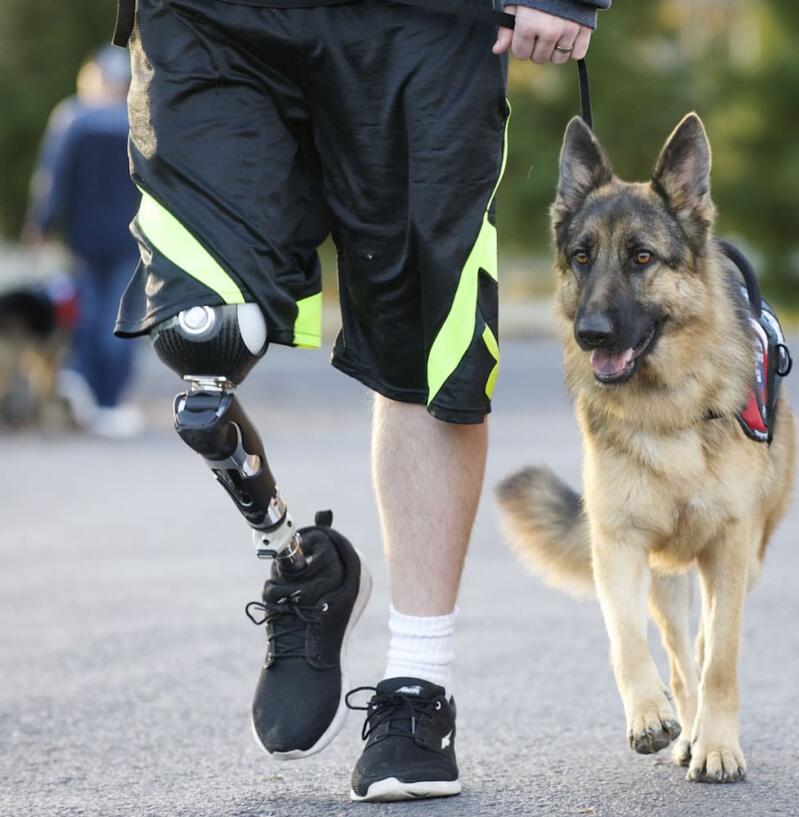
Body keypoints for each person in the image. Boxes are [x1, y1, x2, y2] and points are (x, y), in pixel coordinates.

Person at [111, 0, 608, 802]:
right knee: (201, 334)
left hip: (423, 18)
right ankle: (300, 566)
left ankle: (417, 685)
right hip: (212, 15)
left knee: (426, 344)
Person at [25, 47, 143, 439]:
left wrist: (39, 225)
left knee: (87, 318)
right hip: (131, 240)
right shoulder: (139, 119)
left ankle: (80, 381)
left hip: (83, 240)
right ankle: (107, 404)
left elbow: (52, 178)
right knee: (120, 322)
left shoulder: (73, 117)